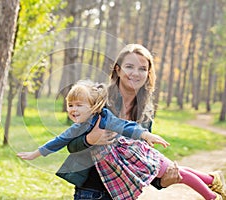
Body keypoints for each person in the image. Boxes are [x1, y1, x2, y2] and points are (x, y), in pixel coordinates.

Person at [65, 44, 226, 200]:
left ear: (148, 73)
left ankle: (213, 183)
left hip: (124, 193)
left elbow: (144, 159)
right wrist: (89, 140)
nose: (135, 73)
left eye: (142, 68)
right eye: (129, 66)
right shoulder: (98, 99)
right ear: (118, 69)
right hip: (91, 192)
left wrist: (162, 182)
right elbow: (72, 145)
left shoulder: (145, 113)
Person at [17, 80, 225, 200]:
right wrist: (35, 153)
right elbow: (59, 141)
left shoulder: (105, 118)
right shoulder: (77, 128)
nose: (72, 110)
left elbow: (127, 126)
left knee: (180, 174)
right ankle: (212, 179)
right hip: (117, 170)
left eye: (78, 105)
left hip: (138, 156)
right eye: (70, 105)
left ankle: (211, 195)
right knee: (182, 172)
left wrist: (147, 135)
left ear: (94, 106)